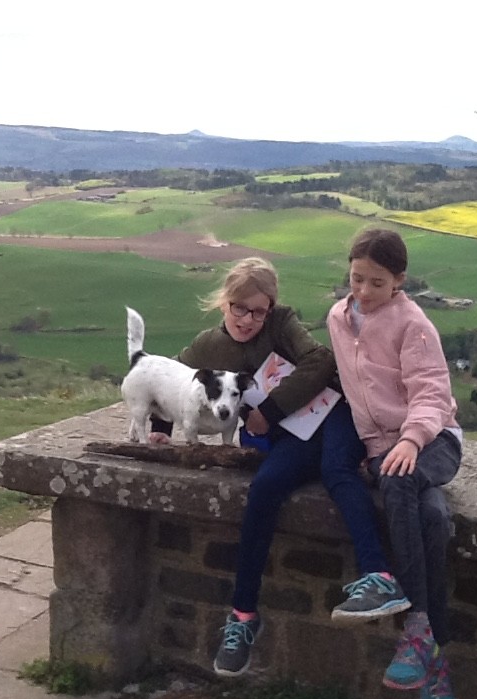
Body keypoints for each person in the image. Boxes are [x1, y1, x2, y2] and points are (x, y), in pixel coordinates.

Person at [147, 256, 409, 677]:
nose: (249, 319)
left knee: (338, 471)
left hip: (333, 415)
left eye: (258, 310)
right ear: (224, 303)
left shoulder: (282, 323)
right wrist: (160, 425)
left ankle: (378, 575)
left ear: (271, 307)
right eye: (239, 308)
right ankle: (243, 617)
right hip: (291, 438)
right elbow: (168, 377)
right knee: (265, 488)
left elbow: (320, 360)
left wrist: (268, 408)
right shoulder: (206, 346)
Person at [327, 229, 463, 699]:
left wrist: (411, 439)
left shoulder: (414, 324)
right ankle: (437, 661)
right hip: (385, 449)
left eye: (377, 283)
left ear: (399, 281)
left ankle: (416, 627)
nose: (363, 291)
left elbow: (430, 391)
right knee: (431, 520)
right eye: (356, 278)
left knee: (400, 479)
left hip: (434, 440)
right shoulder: (338, 320)